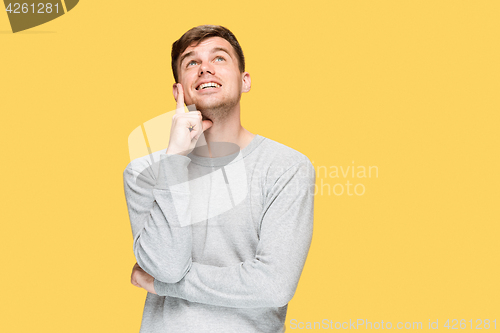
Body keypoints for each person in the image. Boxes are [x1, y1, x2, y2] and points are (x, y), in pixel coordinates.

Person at [123, 25, 316, 333]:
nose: (205, 69)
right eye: (192, 63)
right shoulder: (143, 172)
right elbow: (167, 267)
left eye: (220, 58)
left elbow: (274, 285)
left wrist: (164, 286)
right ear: (178, 90)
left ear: (245, 81)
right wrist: (173, 161)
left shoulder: (287, 167)